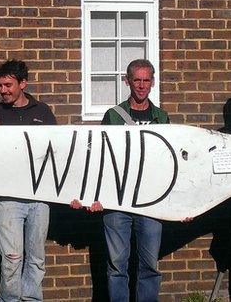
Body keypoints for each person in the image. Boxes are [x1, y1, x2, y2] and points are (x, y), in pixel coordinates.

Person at [71, 59, 169, 302]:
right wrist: (95, 196)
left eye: (147, 80)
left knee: (150, 266)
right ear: (127, 81)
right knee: (117, 267)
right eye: (137, 80)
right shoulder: (113, 116)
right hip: (117, 201)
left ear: (153, 82)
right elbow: (101, 159)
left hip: (150, 202)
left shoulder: (162, 118)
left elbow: (168, 164)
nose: (142, 85)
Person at [0, 59, 57, 302]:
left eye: (7, 85)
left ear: (23, 83)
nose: (3, 90)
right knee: (12, 259)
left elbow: (57, 152)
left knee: (36, 259)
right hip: (8, 199)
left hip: (38, 197)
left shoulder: (43, 112)